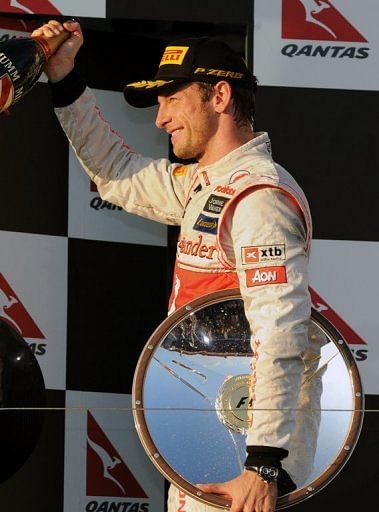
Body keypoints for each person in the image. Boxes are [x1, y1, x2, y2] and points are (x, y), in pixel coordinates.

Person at [32, 20, 319, 512]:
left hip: (244, 455)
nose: (160, 119)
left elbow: (281, 333)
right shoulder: (208, 184)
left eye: (171, 99)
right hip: (212, 438)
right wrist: (64, 77)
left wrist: (263, 464)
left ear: (220, 97)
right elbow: (117, 172)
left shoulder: (259, 198)